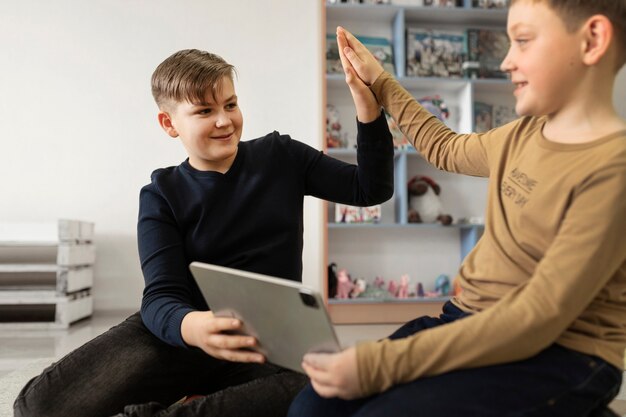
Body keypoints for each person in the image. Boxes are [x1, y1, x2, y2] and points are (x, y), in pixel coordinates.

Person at [13, 48, 394, 417]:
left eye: (230, 104)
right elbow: (161, 295)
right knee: (37, 407)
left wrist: (367, 105)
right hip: (179, 334)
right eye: (205, 111)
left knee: (321, 386)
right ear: (169, 124)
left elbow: (369, 188)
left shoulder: (282, 156)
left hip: (264, 341)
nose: (225, 121)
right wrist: (194, 326)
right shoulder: (161, 194)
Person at [288, 1, 626, 416]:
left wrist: (376, 364)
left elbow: (538, 315)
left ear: (592, 40)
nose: (505, 61)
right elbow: (445, 147)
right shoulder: (522, 134)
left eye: (522, 41)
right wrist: (378, 83)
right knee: (312, 407)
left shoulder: (614, 170)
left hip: (565, 352)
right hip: (469, 320)